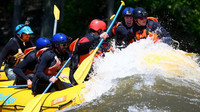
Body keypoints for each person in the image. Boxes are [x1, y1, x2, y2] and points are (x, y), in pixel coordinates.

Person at [69, 19, 110, 86]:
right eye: (103, 31)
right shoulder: (87, 38)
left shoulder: (97, 42)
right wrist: (99, 36)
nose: (104, 32)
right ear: (99, 31)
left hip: (88, 74)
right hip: (78, 75)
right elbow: (82, 43)